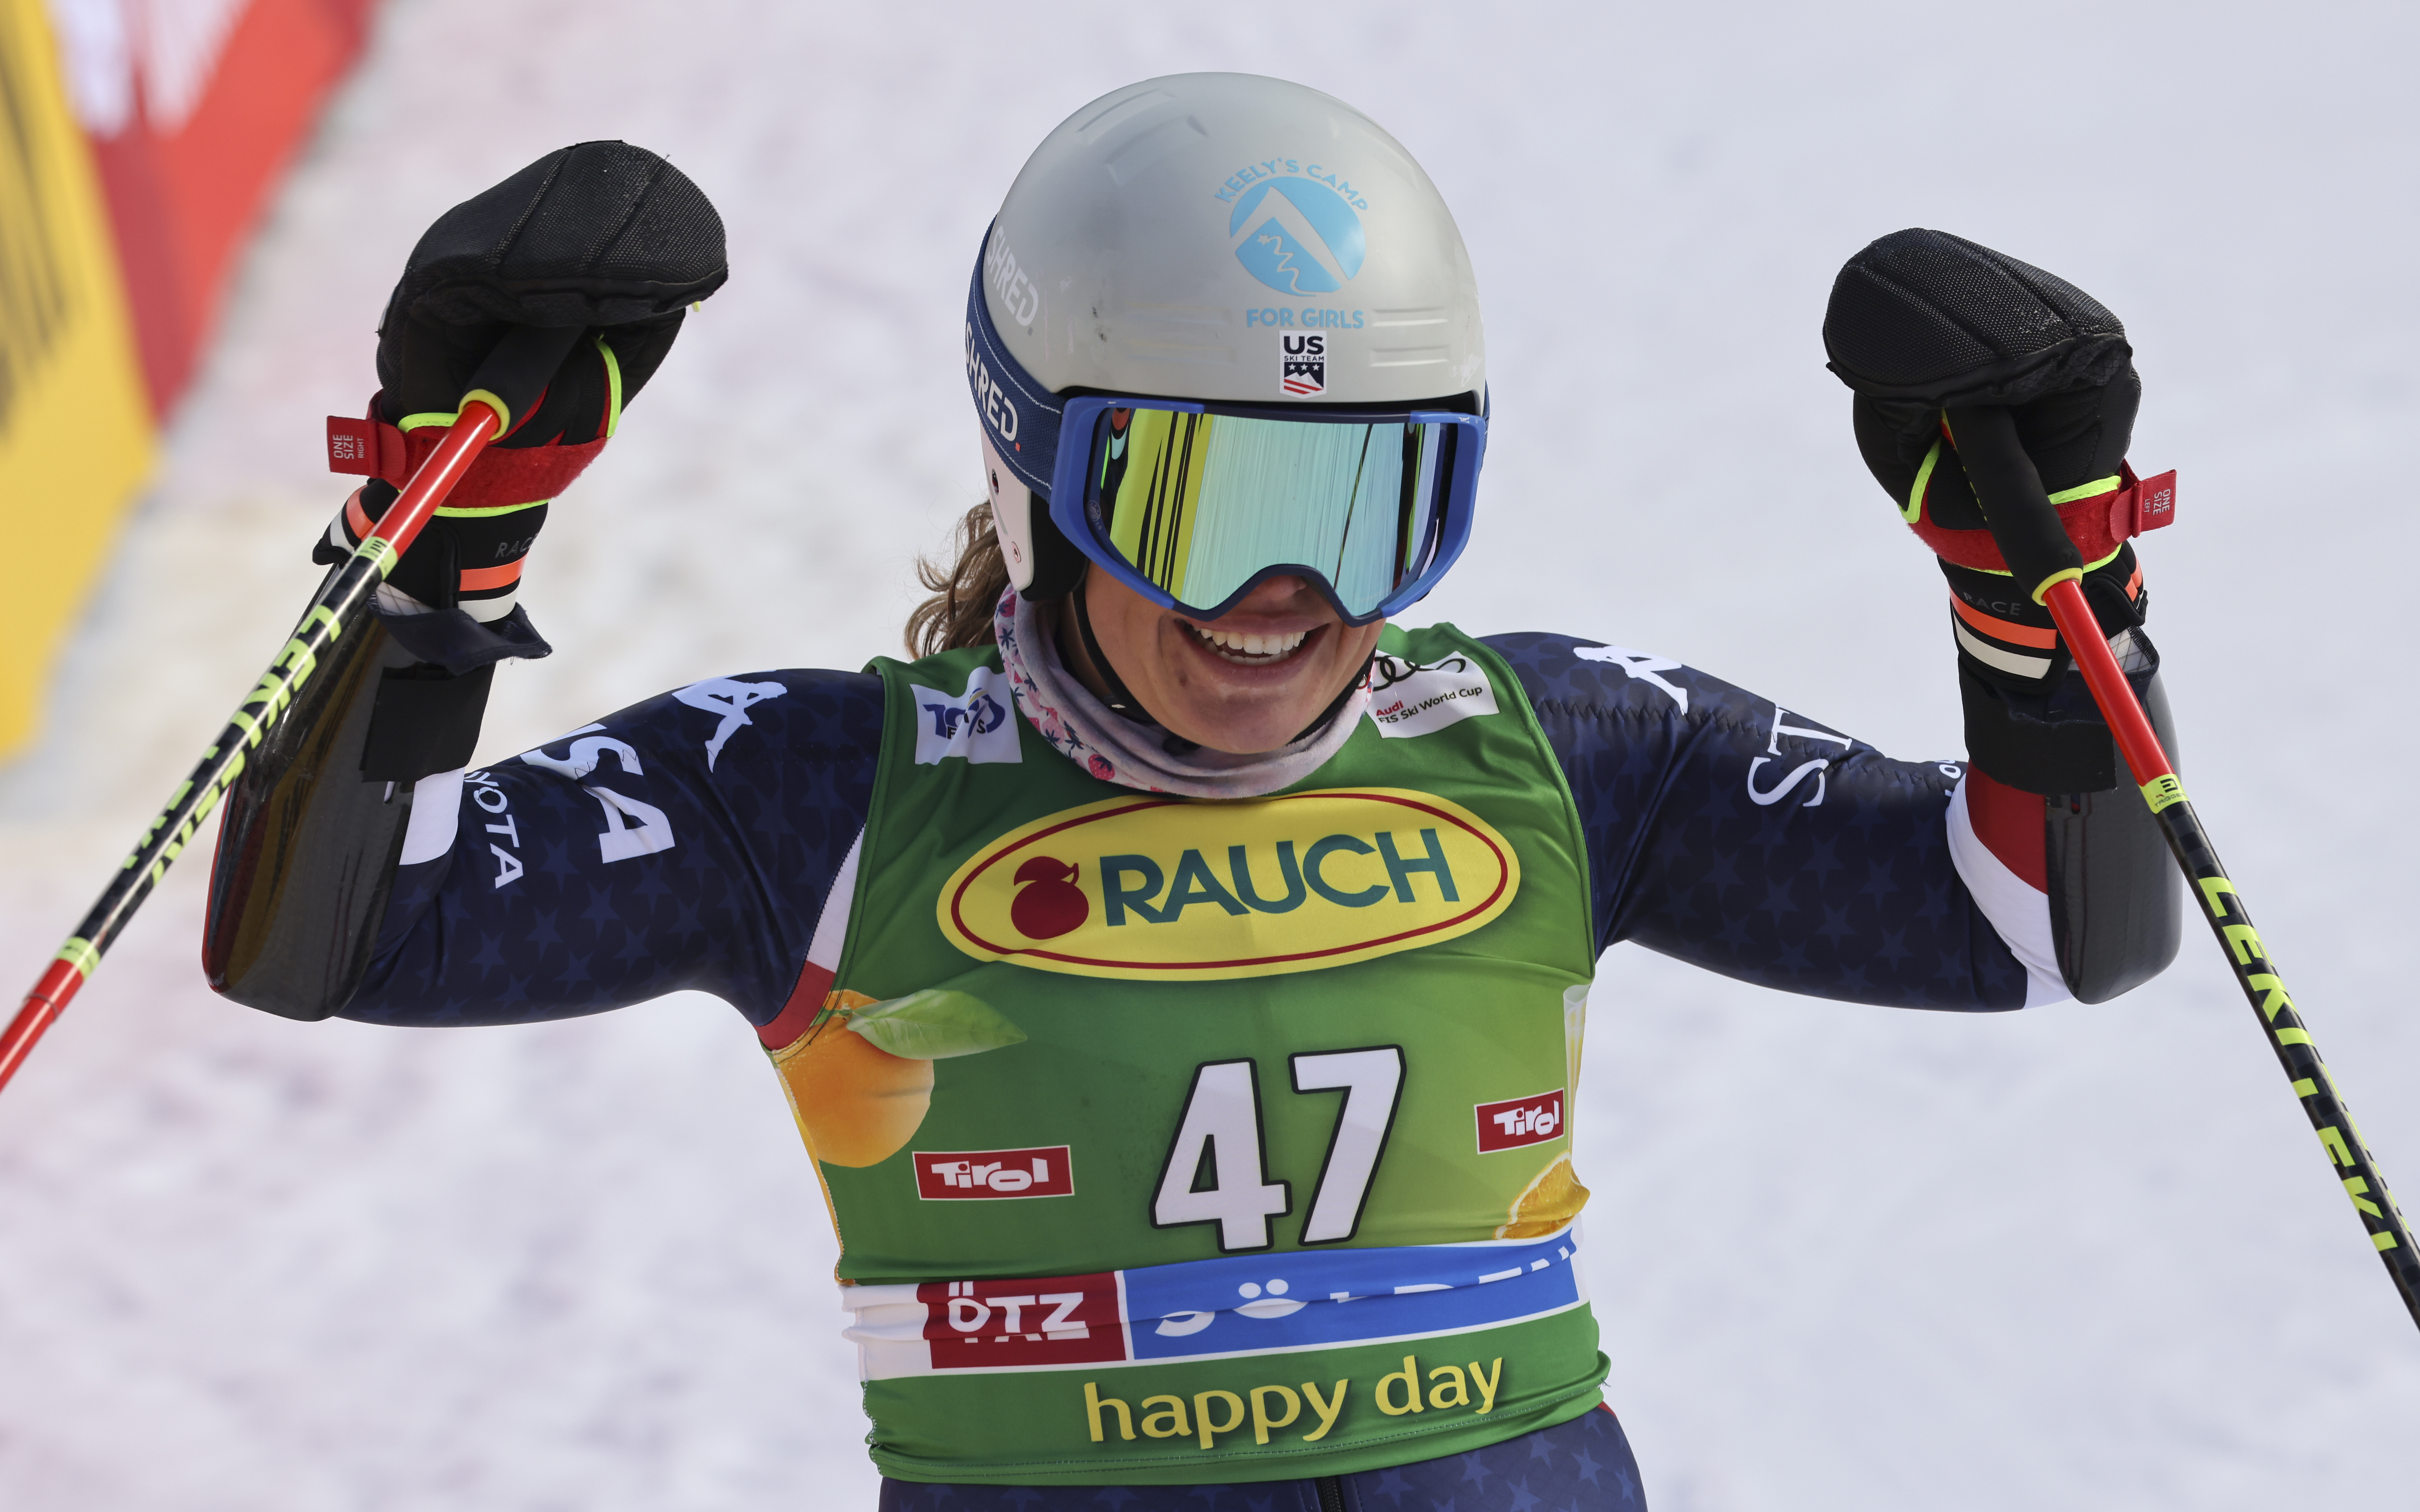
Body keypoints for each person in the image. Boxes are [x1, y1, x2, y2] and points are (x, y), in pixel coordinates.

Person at [204, 74, 2182, 1509]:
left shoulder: (1565, 752)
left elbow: (2028, 924)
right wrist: (432, 559)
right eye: (1199, 506)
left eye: (1368, 504)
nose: (1284, 602)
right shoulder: (817, 797)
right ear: (1031, 477)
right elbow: (341, 931)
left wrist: (2044, 613)